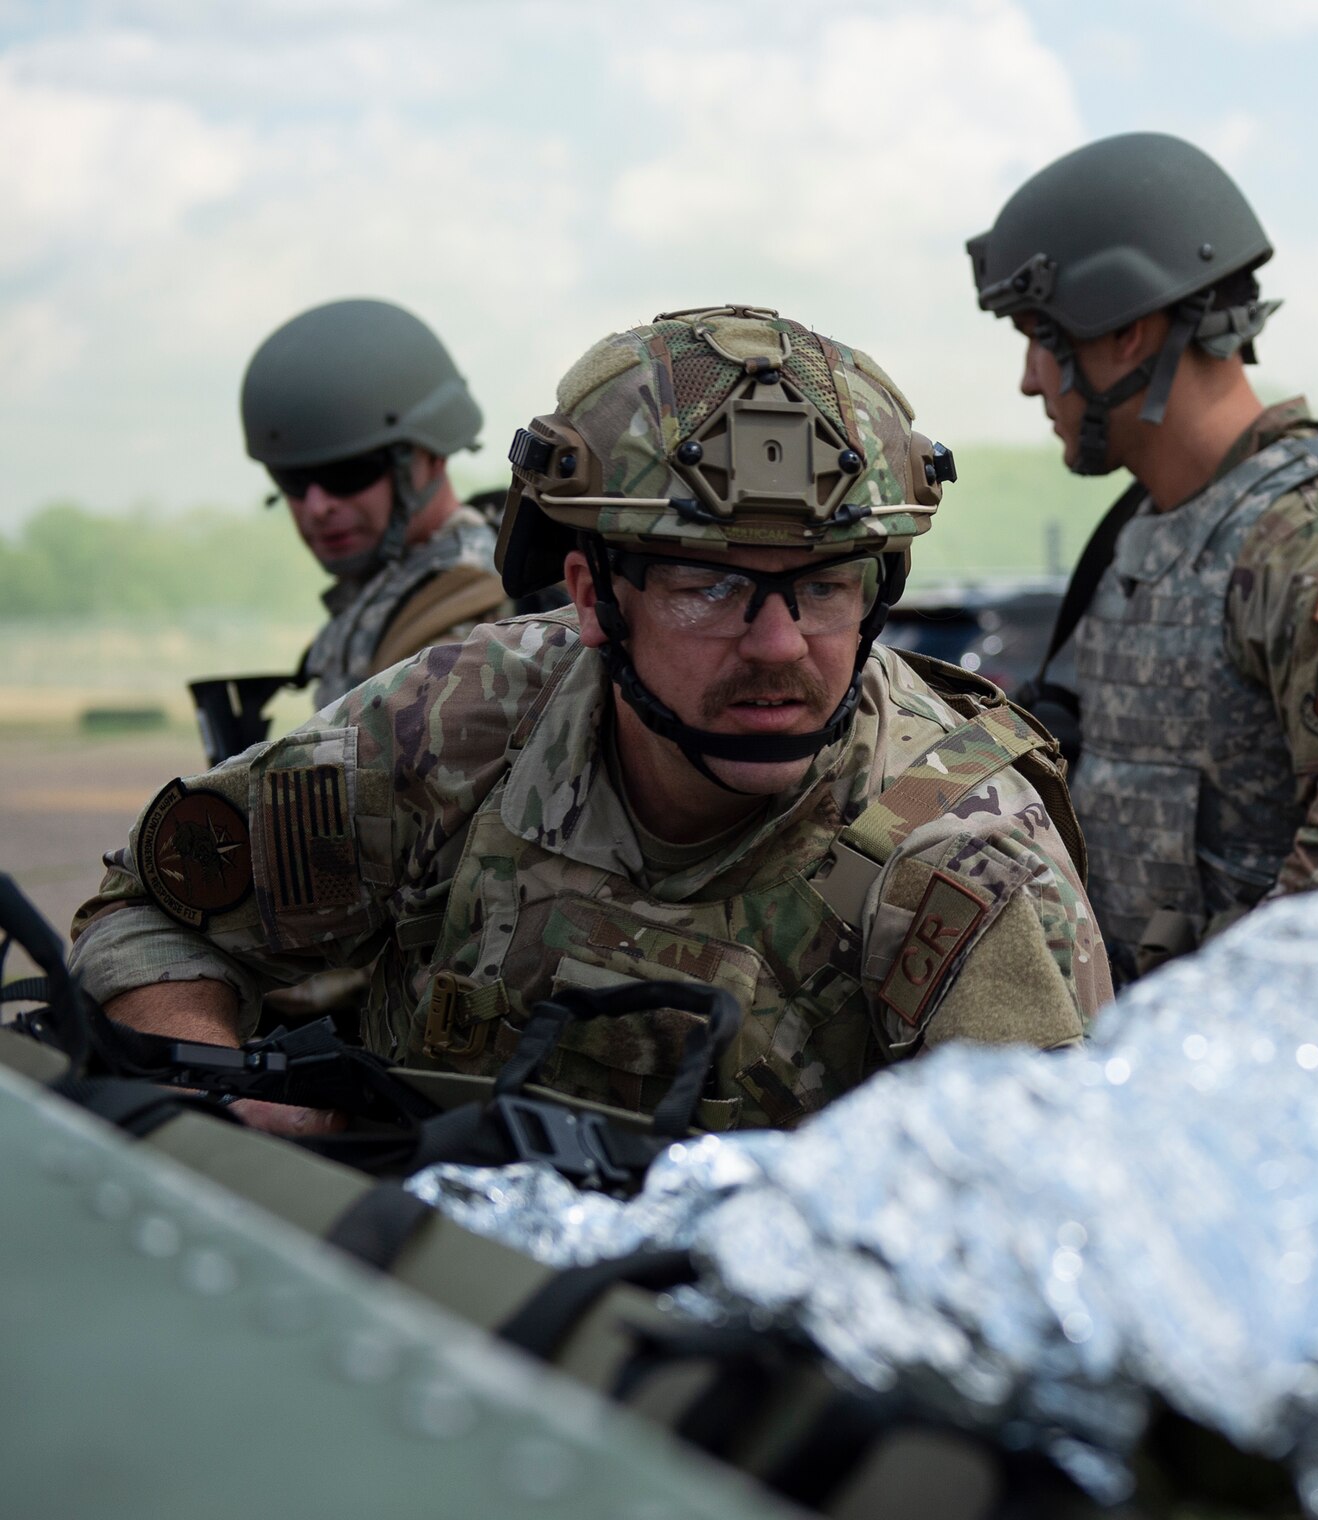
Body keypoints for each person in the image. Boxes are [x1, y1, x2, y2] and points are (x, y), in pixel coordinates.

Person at [72, 304, 1110, 1134]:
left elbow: (1049, 1243)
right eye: (707, 586)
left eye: (826, 586)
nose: (778, 646)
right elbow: (152, 906)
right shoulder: (462, 726)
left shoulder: (962, 862)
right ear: (589, 593)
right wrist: (226, 1102)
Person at [967, 132, 1318, 983]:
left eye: (1040, 339)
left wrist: (1190, 1032)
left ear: (1129, 333)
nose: (1029, 379)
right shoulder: (1152, 528)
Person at [242, 297, 513, 710]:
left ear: (431, 455)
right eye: (292, 479)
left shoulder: (467, 614)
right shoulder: (395, 585)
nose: (317, 506)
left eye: (348, 473)